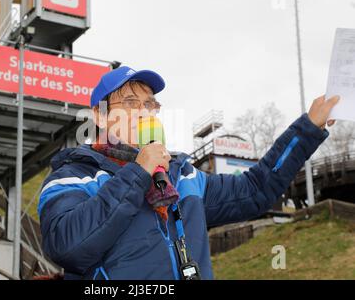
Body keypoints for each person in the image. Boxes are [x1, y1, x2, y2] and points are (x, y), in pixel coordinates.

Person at [38, 66, 339, 280]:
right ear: (100, 116)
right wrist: (137, 173)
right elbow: (68, 247)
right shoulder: (73, 176)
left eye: (149, 104)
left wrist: (309, 129)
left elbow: (256, 190)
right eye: (130, 103)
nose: (144, 111)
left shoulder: (182, 176)